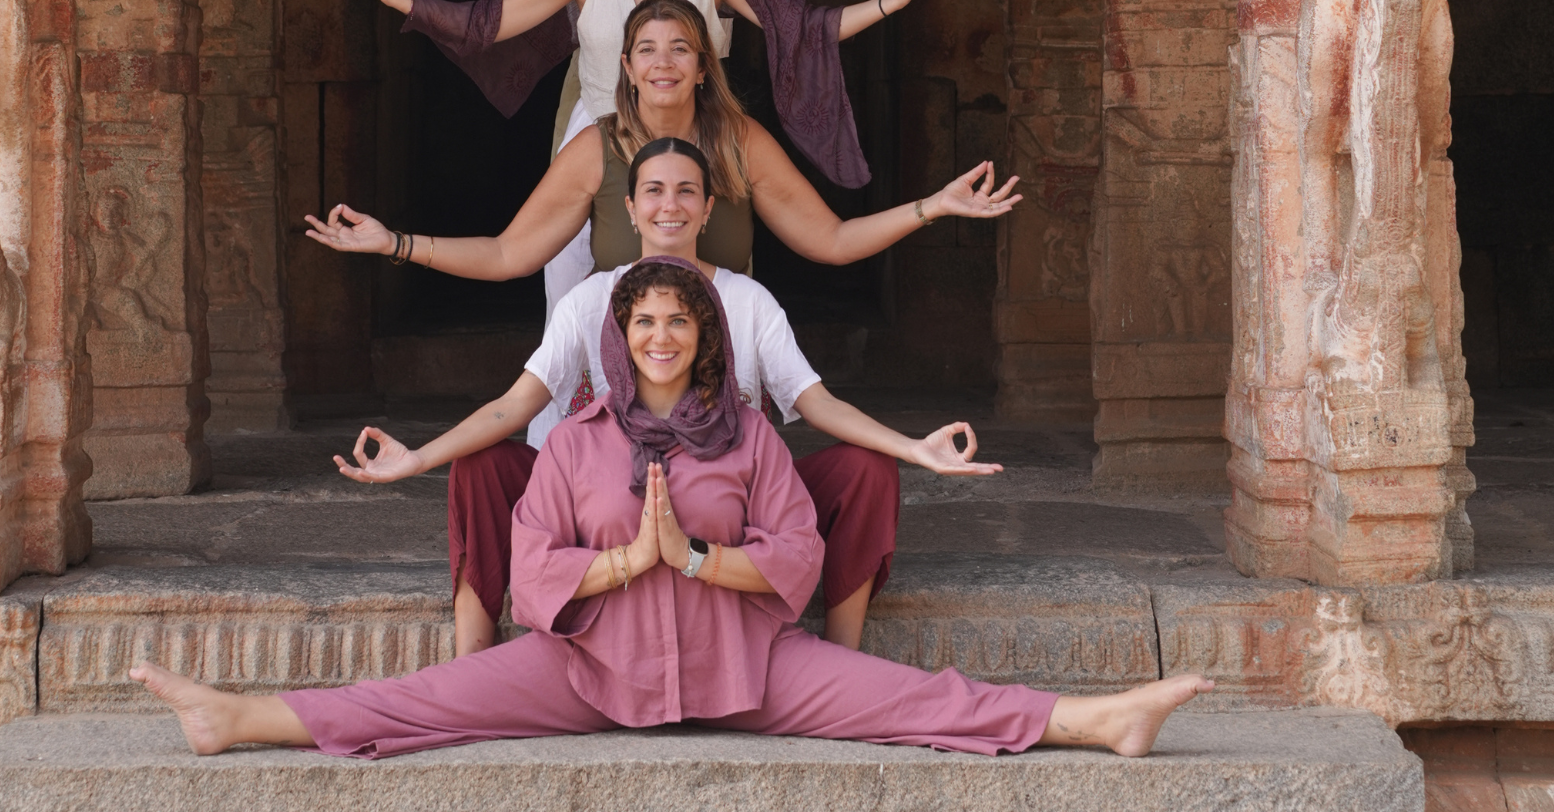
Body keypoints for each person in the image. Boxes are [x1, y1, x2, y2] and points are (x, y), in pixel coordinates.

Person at [134, 260, 1211, 761]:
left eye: (678, 321)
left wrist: (693, 558)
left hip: (745, 663)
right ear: (620, 333)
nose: (660, 337)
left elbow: (795, 554)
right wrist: (621, 566)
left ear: (705, 334)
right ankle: (235, 717)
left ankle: (1095, 717)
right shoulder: (576, 440)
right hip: (591, 670)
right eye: (643, 320)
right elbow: (531, 562)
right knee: (424, 703)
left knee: (914, 699)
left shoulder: (747, 433)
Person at [336, 135, 1005, 658]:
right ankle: (472, 661)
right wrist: (418, 458)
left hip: (721, 506)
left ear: (709, 208)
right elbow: (515, 406)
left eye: (688, 191)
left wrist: (915, 448)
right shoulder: (592, 297)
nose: (670, 205)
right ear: (629, 208)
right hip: (606, 500)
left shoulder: (747, 299)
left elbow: (818, 403)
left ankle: (839, 654)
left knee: (865, 469)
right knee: (482, 467)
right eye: (653, 190)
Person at [343, 0, 944, 306]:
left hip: (695, 135)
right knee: (571, 295)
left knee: (721, 282)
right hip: (602, 138)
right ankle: (575, 434)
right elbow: (488, 22)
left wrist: (894, 0)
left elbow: (804, 26)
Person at [305, 0, 1022, 384]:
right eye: (647, 49)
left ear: (704, 65)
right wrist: (392, 244)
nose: (664, 62)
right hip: (628, 359)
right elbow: (506, 255)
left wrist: (936, 205)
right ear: (625, 66)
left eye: (681, 47)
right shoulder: (598, 146)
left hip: (721, 361)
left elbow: (829, 240)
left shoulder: (739, 142)